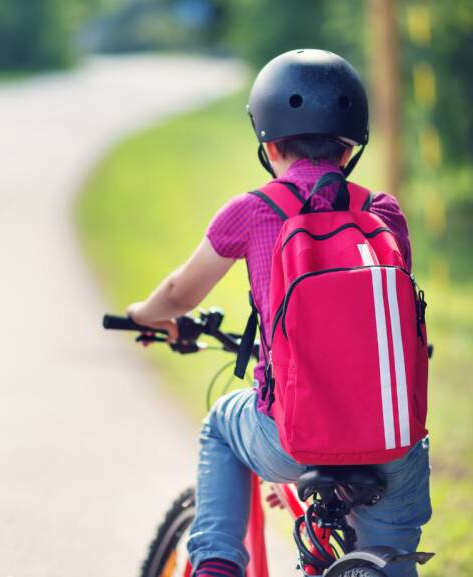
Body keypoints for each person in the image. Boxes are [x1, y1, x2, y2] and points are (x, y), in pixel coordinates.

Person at [123, 50, 431, 577]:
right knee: (391, 559)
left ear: (266, 139)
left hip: (289, 436)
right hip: (392, 441)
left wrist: (144, 313)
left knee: (221, 426)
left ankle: (216, 563)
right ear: (352, 141)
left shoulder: (252, 211)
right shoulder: (382, 213)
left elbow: (180, 294)